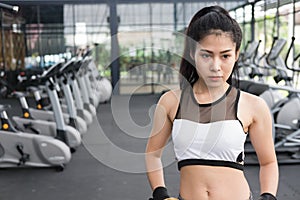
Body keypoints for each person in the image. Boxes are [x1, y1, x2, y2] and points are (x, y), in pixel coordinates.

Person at [145, 5, 278, 200]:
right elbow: (152, 154)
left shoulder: (253, 106)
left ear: (236, 55)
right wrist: (160, 193)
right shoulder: (171, 102)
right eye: (206, 55)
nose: (216, 66)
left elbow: (268, 163)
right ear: (193, 53)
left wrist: (268, 197)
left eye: (225, 56)